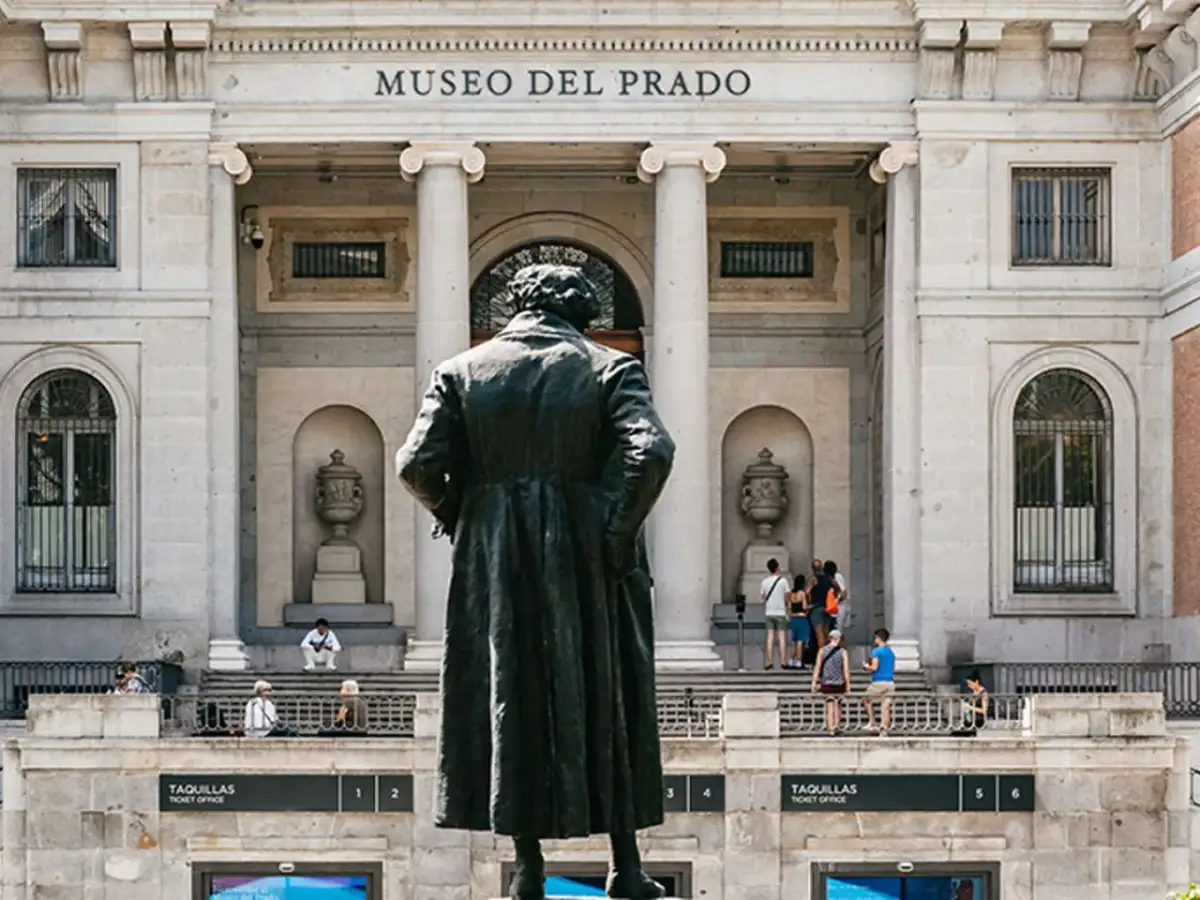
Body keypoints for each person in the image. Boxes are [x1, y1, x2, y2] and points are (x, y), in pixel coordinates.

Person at [396, 262, 675, 900]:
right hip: (589, 551)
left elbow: (414, 465)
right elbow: (651, 450)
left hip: (495, 553)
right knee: (614, 694)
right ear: (578, 311)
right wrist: (616, 529)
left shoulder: (461, 372)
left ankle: (528, 868)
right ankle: (626, 867)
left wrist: (462, 512)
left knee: (507, 691)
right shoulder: (610, 368)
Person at [812, 629, 851, 736]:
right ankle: (836, 725)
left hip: (827, 683)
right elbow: (846, 671)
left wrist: (814, 682)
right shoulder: (843, 652)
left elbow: (817, 668)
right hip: (839, 683)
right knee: (838, 706)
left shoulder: (822, 650)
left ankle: (831, 730)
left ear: (829, 638)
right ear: (839, 639)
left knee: (830, 707)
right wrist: (848, 686)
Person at [862, 628, 896, 735]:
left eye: (875, 637)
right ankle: (884, 728)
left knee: (866, 699)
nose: (874, 640)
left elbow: (874, 667)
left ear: (879, 638)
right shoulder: (890, 652)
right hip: (890, 682)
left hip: (879, 681)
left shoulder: (876, 651)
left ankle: (872, 722)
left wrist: (867, 666)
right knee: (885, 706)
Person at [760, 558, 790, 670]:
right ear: (777, 567)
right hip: (780, 612)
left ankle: (769, 661)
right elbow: (787, 597)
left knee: (770, 637)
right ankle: (783, 661)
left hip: (769, 611)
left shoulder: (764, 582)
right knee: (782, 637)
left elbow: (763, 598)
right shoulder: (783, 581)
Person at [806, 559, 836, 649]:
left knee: (820, 635)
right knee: (827, 634)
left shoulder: (813, 578)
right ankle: (828, 657)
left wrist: (809, 603)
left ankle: (821, 658)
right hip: (827, 608)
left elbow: (807, 592)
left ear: (812, 568)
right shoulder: (828, 578)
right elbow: (837, 587)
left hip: (816, 608)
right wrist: (835, 597)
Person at [788, 574, 810, 670]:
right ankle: (799, 660)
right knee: (801, 641)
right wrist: (809, 608)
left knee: (794, 641)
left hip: (793, 619)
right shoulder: (802, 593)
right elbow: (804, 607)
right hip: (802, 618)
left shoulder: (791, 594)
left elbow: (789, 608)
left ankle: (791, 660)